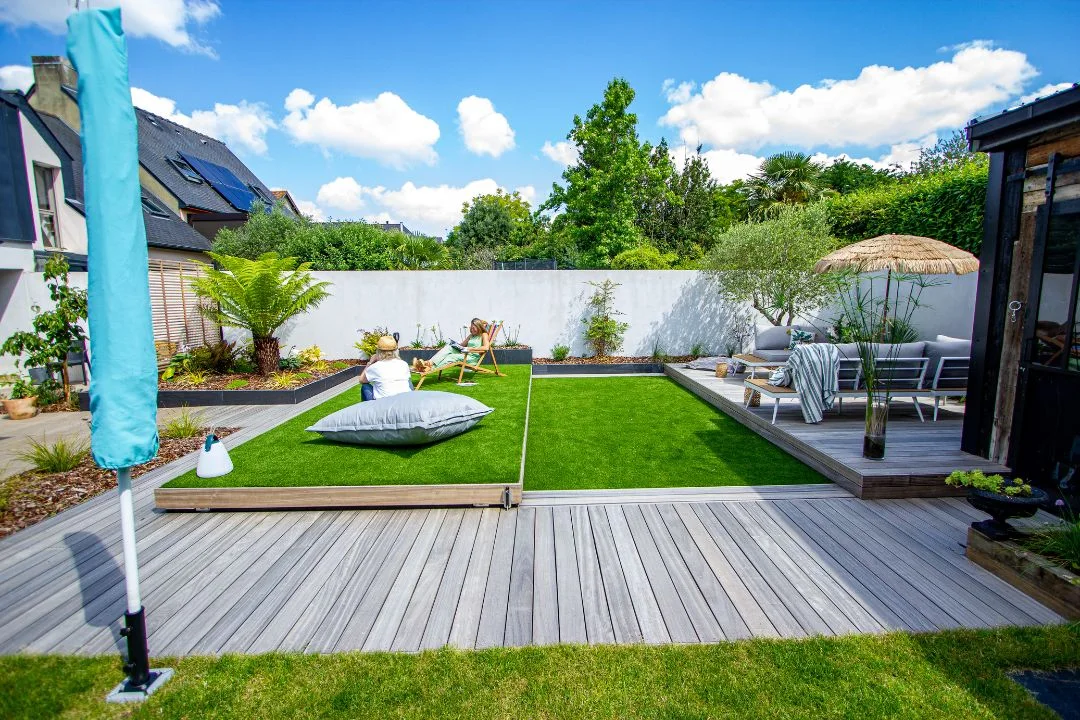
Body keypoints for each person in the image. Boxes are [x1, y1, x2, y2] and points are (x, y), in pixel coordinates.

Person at [413, 318, 490, 373]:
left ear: (479, 327)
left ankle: (429, 368)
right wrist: (454, 345)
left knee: (451, 357)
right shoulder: (471, 336)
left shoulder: (484, 334)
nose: (472, 330)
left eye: (474, 328)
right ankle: (429, 363)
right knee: (448, 348)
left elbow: (486, 348)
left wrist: (470, 349)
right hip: (465, 354)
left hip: (472, 358)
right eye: (471, 328)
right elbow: (462, 345)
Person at [360, 335, 412, 401]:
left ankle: (366, 409)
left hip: (383, 405)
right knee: (408, 381)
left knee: (365, 386)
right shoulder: (404, 364)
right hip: (404, 401)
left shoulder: (375, 367)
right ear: (396, 351)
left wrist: (370, 363)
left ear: (378, 351)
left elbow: (362, 380)